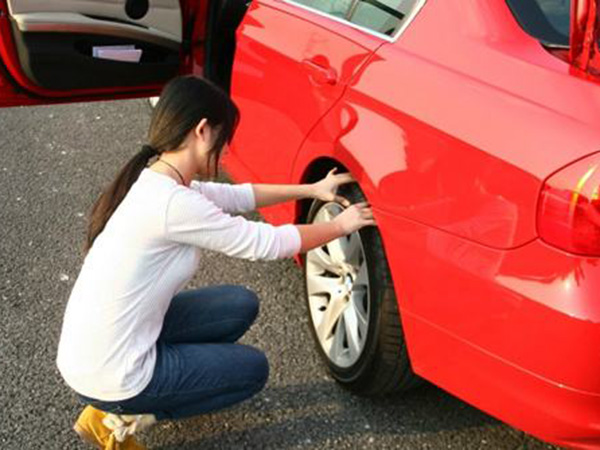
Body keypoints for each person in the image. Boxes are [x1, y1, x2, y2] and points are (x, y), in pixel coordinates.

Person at [56, 75, 375, 449]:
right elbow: (265, 243)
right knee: (252, 370)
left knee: (239, 304)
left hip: (96, 352)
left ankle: (125, 400)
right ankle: (122, 416)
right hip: (111, 373)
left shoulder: (158, 180)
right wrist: (340, 226)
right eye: (224, 141)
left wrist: (312, 189)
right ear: (203, 130)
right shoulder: (173, 203)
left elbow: (237, 196)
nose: (225, 152)